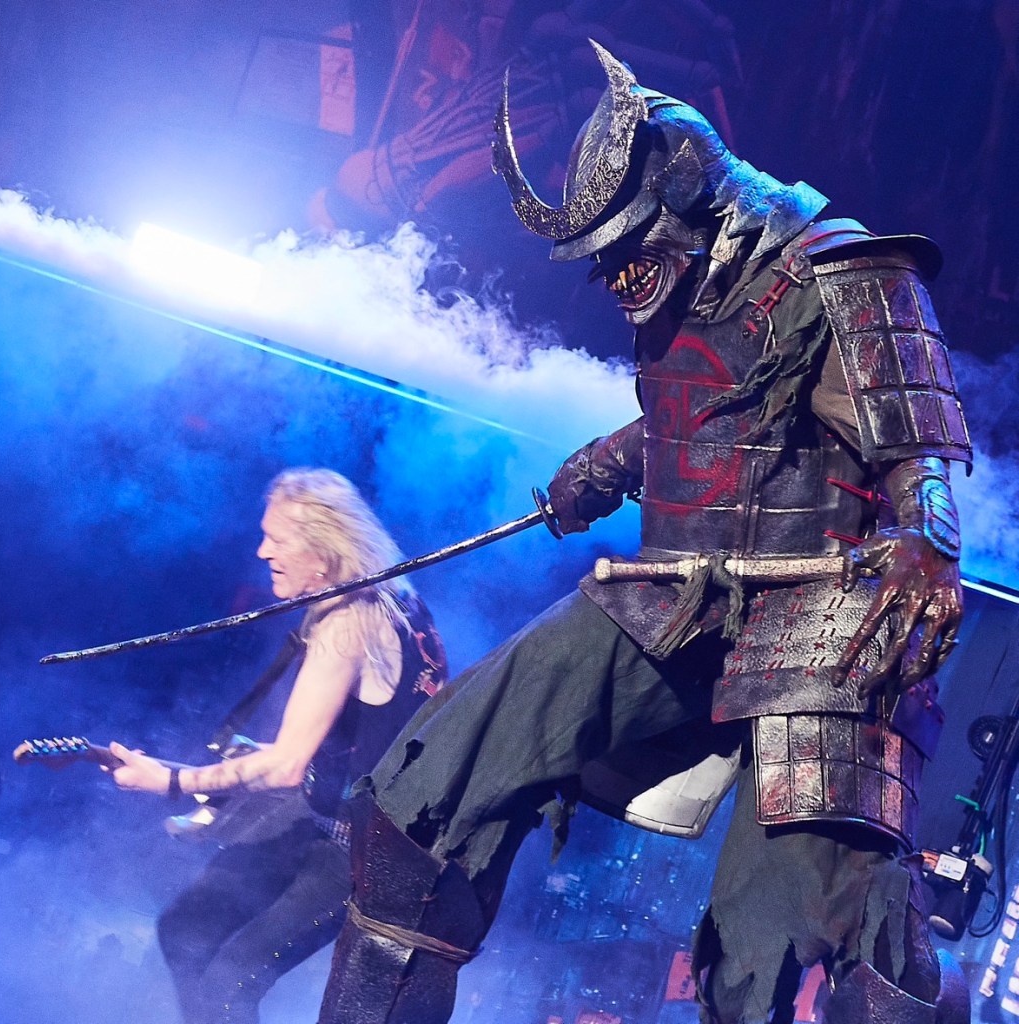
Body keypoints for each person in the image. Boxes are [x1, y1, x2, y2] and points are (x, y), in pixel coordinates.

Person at [316, 43, 975, 1024]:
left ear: (692, 194)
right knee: (423, 798)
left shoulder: (842, 268)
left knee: (774, 957)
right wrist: (609, 463)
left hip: (827, 623)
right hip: (673, 594)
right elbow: (716, 410)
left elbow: (918, 446)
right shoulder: (685, 282)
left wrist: (927, 540)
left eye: (625, 242)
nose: (613, 271)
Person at [108, 468, 447, 1024]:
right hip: (328, 823)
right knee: (185, 928)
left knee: (228, 981)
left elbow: (288, 767)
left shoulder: (350, 622)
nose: (262, 551)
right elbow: (365, 737)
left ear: (323, 548)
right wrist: (255, 756)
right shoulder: (392, 595)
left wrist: (169, 782)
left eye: (277, 539)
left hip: (367, 854)